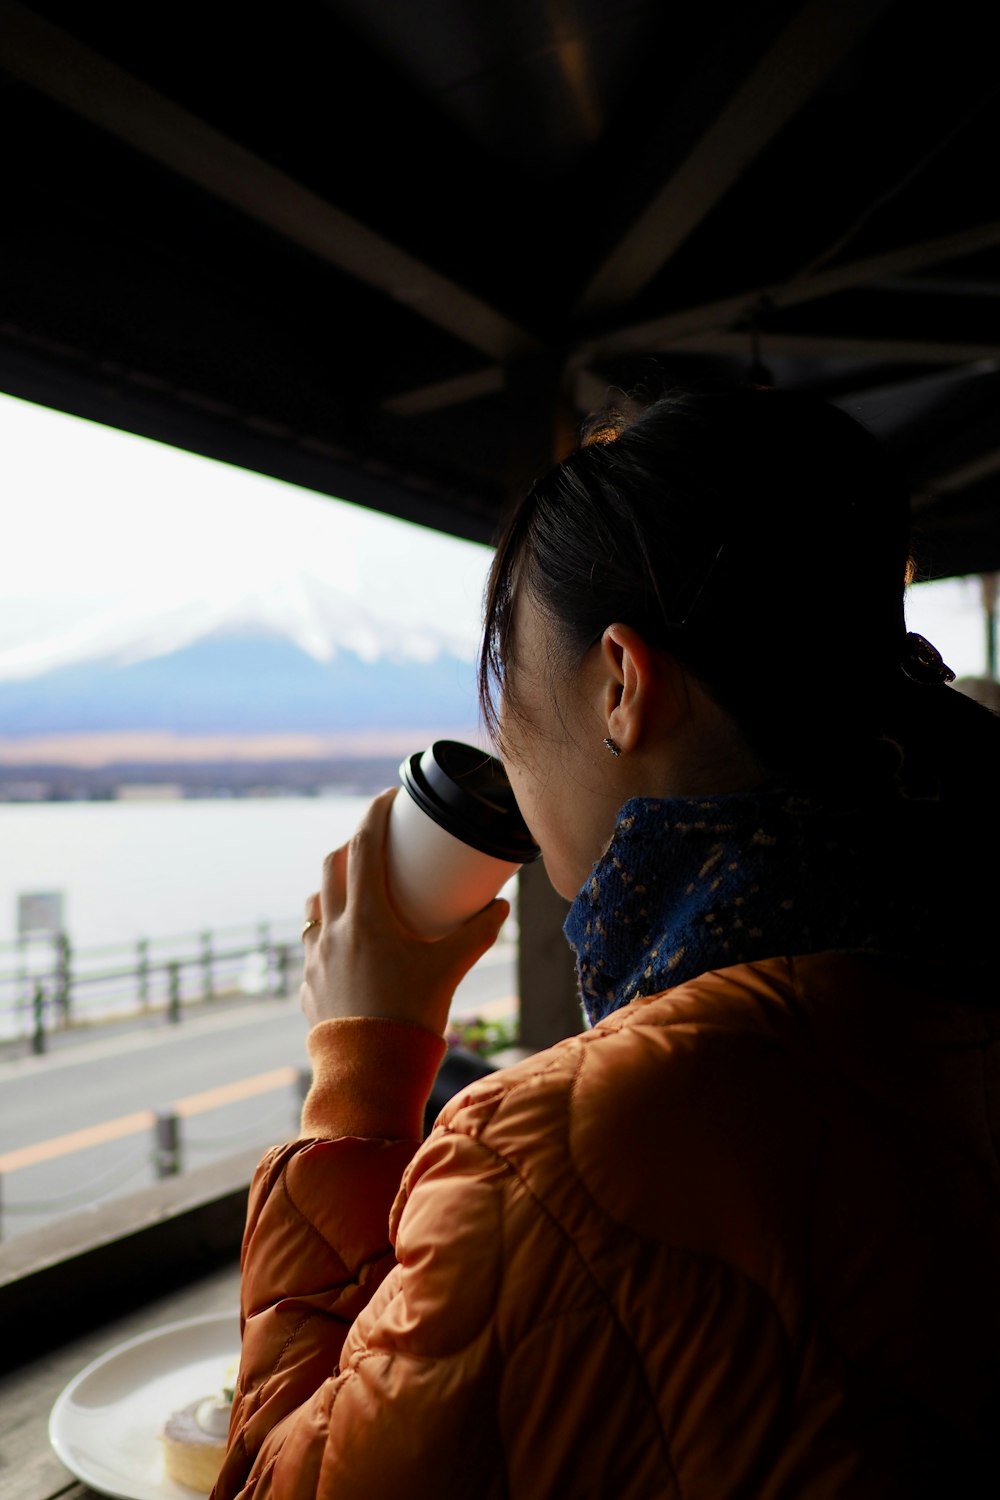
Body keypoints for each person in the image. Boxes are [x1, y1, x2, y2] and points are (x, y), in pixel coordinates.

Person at [212, 382, 1000, 1500]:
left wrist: (362, 1066)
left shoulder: (544, 1158)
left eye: (512, 707)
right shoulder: (949, 942)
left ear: (623, 684)